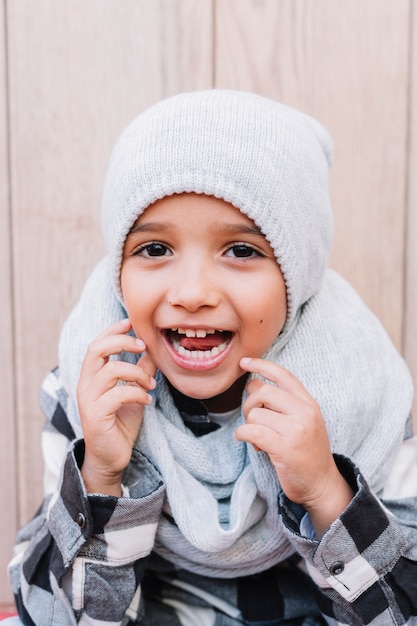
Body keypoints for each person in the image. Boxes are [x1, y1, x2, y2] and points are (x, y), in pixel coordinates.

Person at [6, 89, 417, 626]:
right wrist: (103, 473)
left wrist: (324, 489)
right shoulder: (98, 387)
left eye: (241, 251)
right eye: (155, 249)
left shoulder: (362, 388)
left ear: (298, 275)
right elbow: (56, 617)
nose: (193, 291)